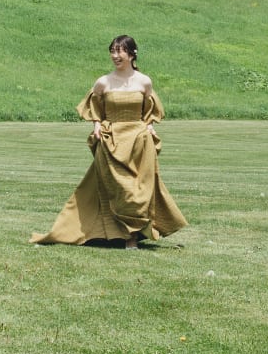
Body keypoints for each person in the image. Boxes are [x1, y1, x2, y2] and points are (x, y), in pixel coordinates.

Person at [31, 35, 187, 248]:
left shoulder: (144, 82)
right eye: (112, 51)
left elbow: (149, 112)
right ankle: (125, 236)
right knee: (120, 190)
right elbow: (96, 110)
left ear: (132, 54)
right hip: (112, 141)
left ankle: (132, 236)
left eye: (119, 51)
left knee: (139, 190)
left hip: (139, 143)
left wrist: (149, 126)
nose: (115, 56)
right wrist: (97, 126)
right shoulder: (103, 82)